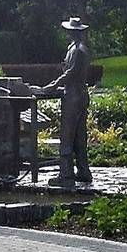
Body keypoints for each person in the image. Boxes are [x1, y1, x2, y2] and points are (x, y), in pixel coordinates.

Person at [34, 17, 91, 186]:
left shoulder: (77, 50)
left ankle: (66, 175)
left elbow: (70, 73)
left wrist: (51, 86)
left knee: (67, 135)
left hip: (73, 96)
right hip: (80, 94)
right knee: (80, 136)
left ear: (72, 32)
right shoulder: (81, 49)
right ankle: (83, 170)